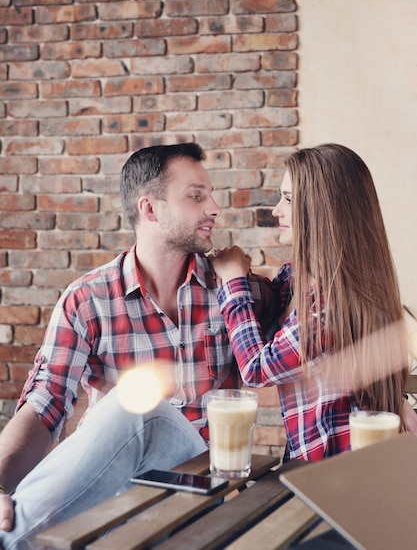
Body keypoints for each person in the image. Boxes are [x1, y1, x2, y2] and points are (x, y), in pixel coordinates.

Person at [0, 142, 276, 549]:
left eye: (210, 195)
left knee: (140, 405)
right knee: (132, 406)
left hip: (205, 495)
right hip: (119, 504)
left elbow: (322, 325)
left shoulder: (235, 291)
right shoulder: (88, 299)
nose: (214, 207)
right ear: (149, 209)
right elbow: (45, 405)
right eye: (196, 196)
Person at [210, 143, 411, 463]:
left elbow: (257, 369)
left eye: (288, 199)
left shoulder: (328, 306)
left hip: (340, 479)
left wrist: (234, 281)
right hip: (311, 468)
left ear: (323, 208)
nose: (276, 210)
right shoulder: (294, 279)